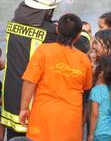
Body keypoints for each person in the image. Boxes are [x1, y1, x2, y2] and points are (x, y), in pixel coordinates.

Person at [2, 0, 64, 139]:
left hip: (9, 96)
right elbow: (81, 44)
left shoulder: (12, 23)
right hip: (31, 102)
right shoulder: (50, 33)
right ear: (49, 10)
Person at [18, 13, 93, 141]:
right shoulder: (84, 59)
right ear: (78, 36)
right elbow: (87, 87)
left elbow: (30, 81)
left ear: (57, 29)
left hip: (43, 115)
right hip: (70, 119)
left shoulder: (43, 51)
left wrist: (24, 108)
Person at [89, 57, 111, 141]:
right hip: (110, 131)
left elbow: (94, 114)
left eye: (96, 65)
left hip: (100, 132)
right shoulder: (106, 89)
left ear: (101, 73)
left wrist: (91, 134)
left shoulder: (96, 90)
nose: (94, 65)